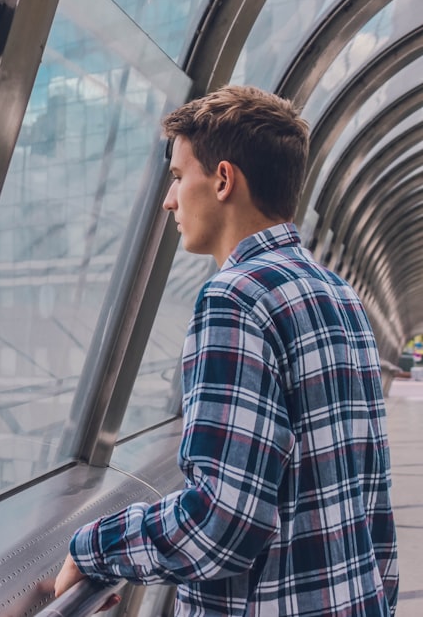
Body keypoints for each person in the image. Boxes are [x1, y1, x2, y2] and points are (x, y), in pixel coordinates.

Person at [54, 85, 399, 615]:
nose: (169, 199)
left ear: (222, 180)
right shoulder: (339, 294)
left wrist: (94, 548)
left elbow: (224, 521)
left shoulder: (235, 300)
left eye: (176, 177)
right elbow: (373, 500)